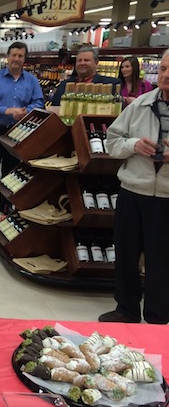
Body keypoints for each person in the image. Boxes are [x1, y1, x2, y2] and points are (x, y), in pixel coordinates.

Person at [99, 49, 169, 325]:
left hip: (166, 196)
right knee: (126, 253)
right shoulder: (139, 105)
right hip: (133, 191)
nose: (166, 75)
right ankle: (126, 309)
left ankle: (157, 315)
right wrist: (133, 145)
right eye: (163, 69)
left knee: (161, 259)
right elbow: (112, 142)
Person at [0, 41, 44, 220]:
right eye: (13, 55)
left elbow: (39, 102)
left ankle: (5, 206)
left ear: (25, 59)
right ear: (7, 57)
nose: (16, 59)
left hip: (18, 131)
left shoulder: (31, 80)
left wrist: (25, 112)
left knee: (11, 170)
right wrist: (8, 110)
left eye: (20, 56)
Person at [51, 45, 119, 106]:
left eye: (86, 60)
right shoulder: (64, 85)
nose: (82, 63)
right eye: (79, 60)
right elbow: (54, 109)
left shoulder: (110, 85)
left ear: (96, 63)